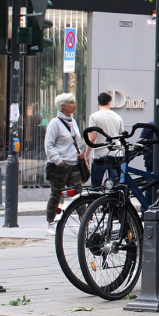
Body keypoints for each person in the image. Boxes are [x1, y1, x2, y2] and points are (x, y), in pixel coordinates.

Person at [44, 93, 87, 235]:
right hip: (59, 166)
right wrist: (58, 161)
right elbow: (48, 145)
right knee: (56, 194)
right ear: (63, 106)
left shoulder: (73, 122)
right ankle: (51, 223)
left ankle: (86, 221)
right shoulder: (54, 123)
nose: (75, 105)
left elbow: (75, 142)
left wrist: (80, 153)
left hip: (74, 163)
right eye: (71, 103)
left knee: (78, 193)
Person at [86, 92, 124, 188]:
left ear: (98, 103)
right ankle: (113, 203)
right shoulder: (117, 117)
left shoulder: (94, 117)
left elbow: (92, 138)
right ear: (109, 103)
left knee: (96, 187)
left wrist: (86, 155)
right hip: (116, 154)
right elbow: (120, 135)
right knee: (116, 187)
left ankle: (96, 202)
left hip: (100, 155)